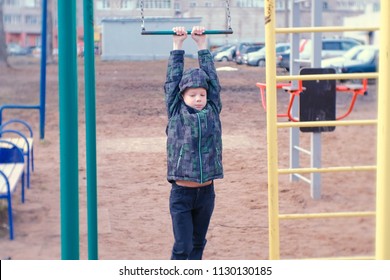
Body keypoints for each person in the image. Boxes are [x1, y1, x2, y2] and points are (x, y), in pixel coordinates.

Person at [164, 26, 224, 260]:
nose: (198, 99)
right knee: (183, 246)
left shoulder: (213, 110)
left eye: (202, 94)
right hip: (182, 194)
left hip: (206, 193)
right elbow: (171, 82)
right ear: (182, 96)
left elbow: (214, 83)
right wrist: (177, 46)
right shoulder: (176, 111)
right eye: (192, 95)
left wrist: (202, 46)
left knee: (198, 244)